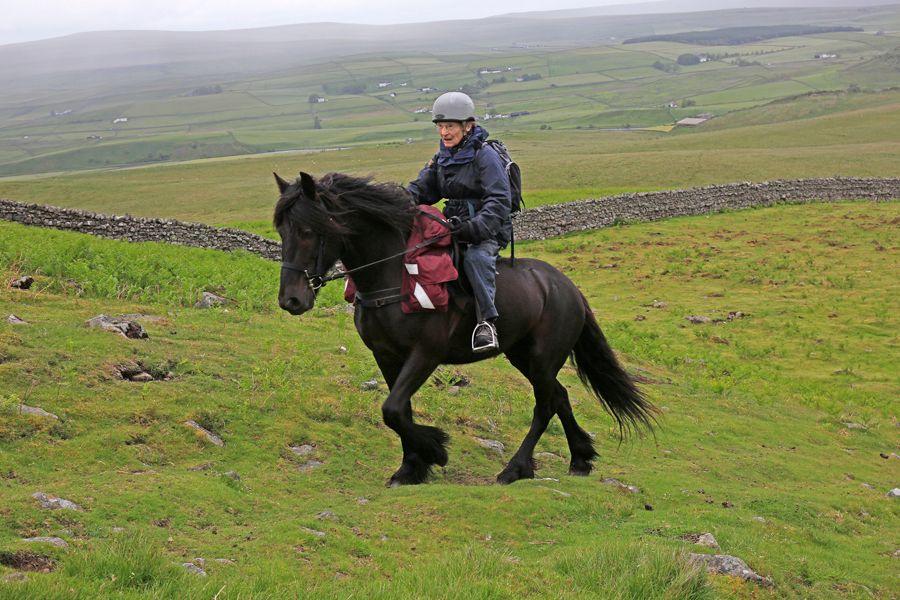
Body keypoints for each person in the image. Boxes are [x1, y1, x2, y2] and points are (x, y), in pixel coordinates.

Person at [407, 92, 512, 352]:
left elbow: (499, 201)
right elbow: (422, 189)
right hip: (453, 225)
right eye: (440, 127)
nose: (444, 132)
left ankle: (486, 323)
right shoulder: (441, 157)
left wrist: (474, 228)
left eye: (450, 126)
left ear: (468, 126)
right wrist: (396, 200)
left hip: (486, 229)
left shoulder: (484, 156)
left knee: (475, 258)